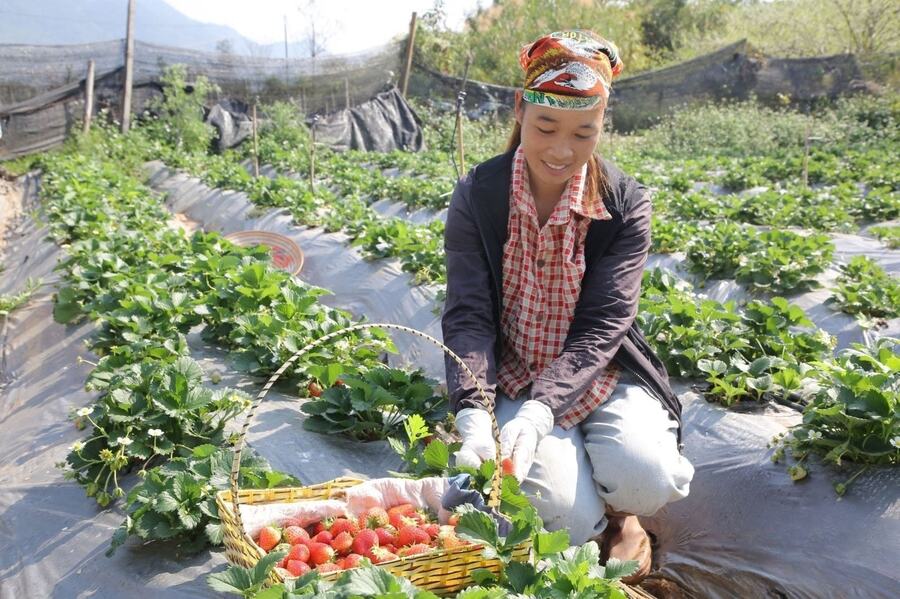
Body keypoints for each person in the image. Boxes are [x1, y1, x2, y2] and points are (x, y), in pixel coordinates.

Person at [441, 29, 695, 584]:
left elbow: (605, 325)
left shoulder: (624, 204)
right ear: (520, 109)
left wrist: (543, 410)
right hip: (511, 372)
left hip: (597, 370)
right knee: (559, 515)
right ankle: (596, 519)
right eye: (546, 127)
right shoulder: (480, 195)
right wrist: (473, 410)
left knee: (645, 476)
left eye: (585, 132)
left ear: (603, 122)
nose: (562, 149)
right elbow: (468, 313)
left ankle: (625, 516)